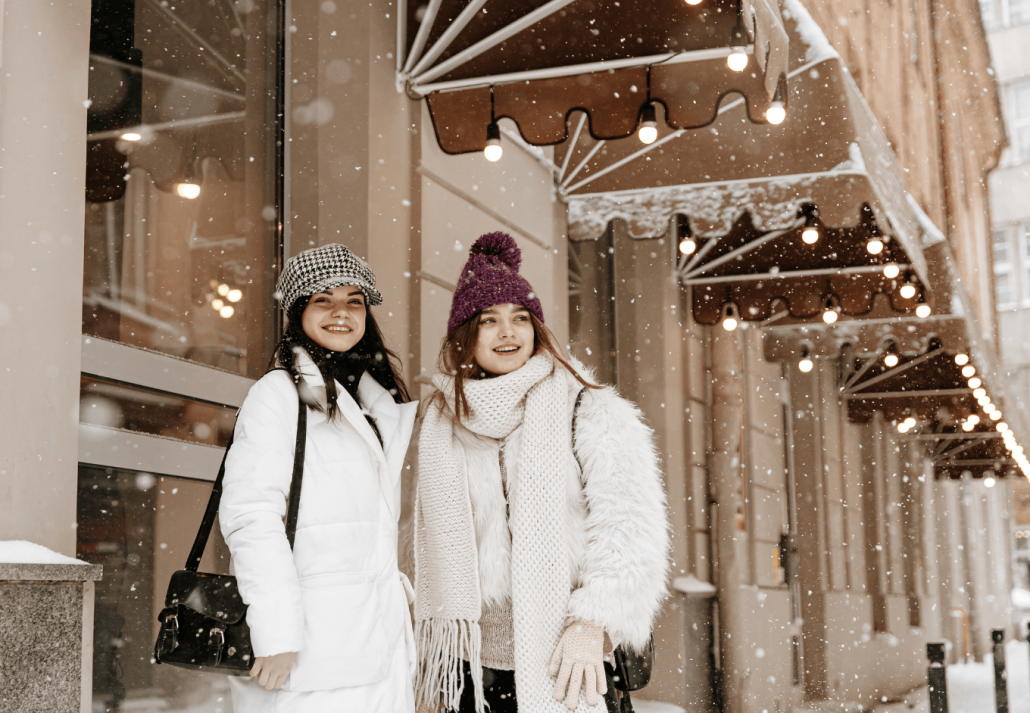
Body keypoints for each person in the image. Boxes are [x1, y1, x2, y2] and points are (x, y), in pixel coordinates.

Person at [413, 232, 670, 713]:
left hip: (566, 658)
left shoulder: (587, 407)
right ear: (465, 335)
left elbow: (630, 528)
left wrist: (594, 623)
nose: (508, 333)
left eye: (520, 318)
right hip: (470, 667)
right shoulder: (442, 421)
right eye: (489, 321)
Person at [220, 243, 419, 712]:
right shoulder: (278, 394)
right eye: (323, 300)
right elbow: (252, 517)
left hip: (376, 638)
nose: (341, 313)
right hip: (310, 648)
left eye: (354, 301)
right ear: (297, 311)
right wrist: (276, 632)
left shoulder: (375, 401)